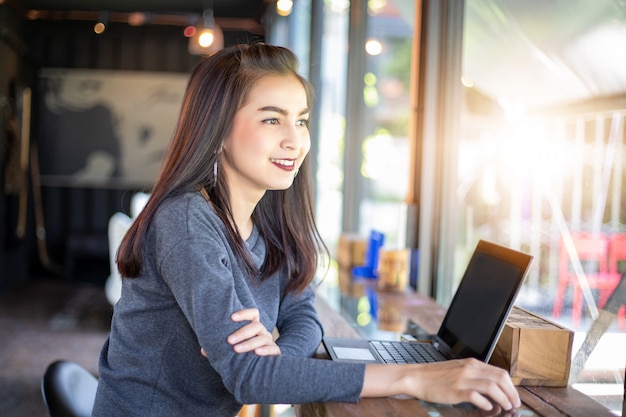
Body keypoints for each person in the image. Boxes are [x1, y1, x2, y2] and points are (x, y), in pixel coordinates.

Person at [92, 42, 521, 416]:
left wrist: (278, 354)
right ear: (218, 130)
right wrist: (412, 379)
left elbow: (303, 314)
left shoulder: (267, 219)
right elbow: (250, 379)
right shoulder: (187, 220)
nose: (295, 141)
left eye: (301, 120)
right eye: (272, 120)